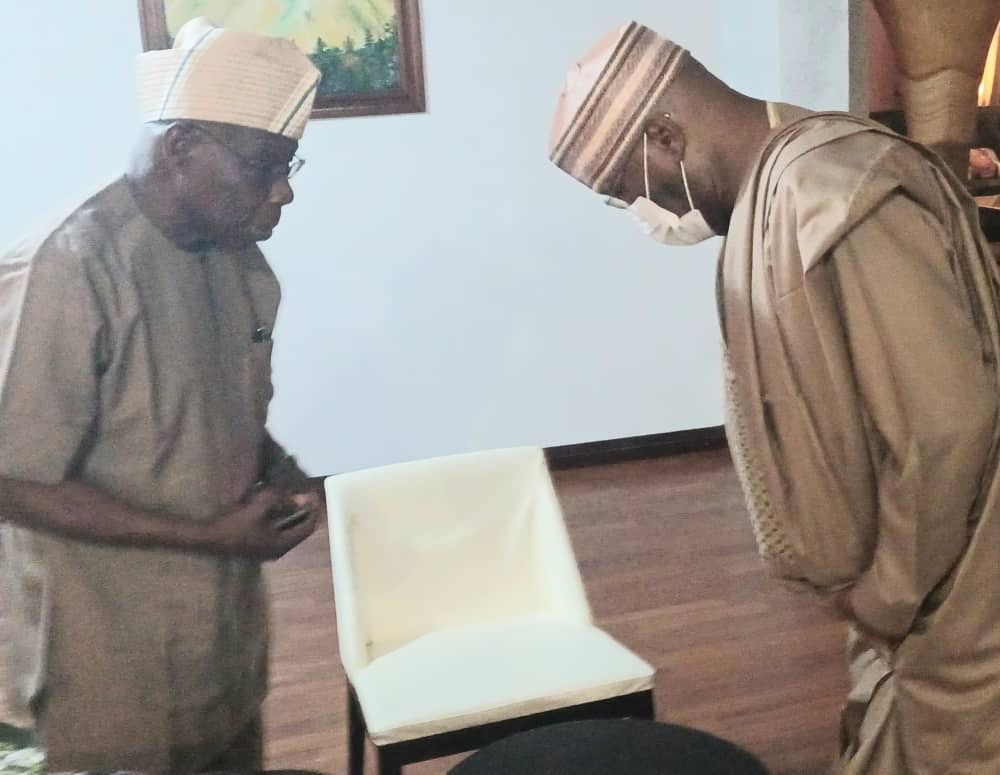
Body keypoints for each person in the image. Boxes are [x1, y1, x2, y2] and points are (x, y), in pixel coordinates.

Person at [548, 22, 1000, 775]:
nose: (641, 214)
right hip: (908, 593)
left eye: (627, 191)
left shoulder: (831, 191)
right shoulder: (773, 190)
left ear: (663, 132)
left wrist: (887, 595)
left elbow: (944, 429)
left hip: (956, 596)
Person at [0, 17, 325, 774]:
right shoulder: (69, 267)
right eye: (262, 166)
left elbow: (222, 405)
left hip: (219, 645)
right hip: (99, 666)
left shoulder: (238, 257)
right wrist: (213, 537)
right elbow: (11, 478)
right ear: (181, 147)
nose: (280, 191)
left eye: (290, 166)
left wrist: (279, 469)